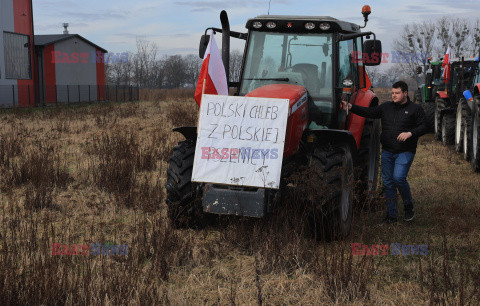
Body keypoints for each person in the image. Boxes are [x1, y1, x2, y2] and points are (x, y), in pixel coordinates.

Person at [341, 81, 428, 223]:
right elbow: (369, 112)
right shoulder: (386, 107)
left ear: (405, 93)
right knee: (388, 183)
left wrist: (410, 133)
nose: (394, 95)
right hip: (387, 151)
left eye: (397, 93)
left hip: (405, 151)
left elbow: (425, 126)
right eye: (393, 93)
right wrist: (351, 107)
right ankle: (391, 216)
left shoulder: (415, 109)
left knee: (398, 178)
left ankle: (408, 206)